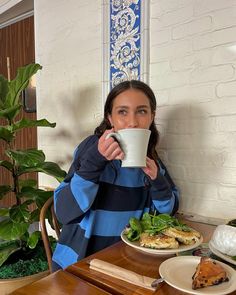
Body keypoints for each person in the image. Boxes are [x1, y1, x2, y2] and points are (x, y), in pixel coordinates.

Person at [52, 80, 179, 271]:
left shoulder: (151, 158)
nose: (133, 122)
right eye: (122, 112)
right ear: (110, 118)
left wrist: (157, 181)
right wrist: (95, 162)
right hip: (80, 262)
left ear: (152, 117)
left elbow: (168, 211)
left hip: (129, 261)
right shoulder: (91, 148)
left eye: (142, 111)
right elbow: (64, 211)